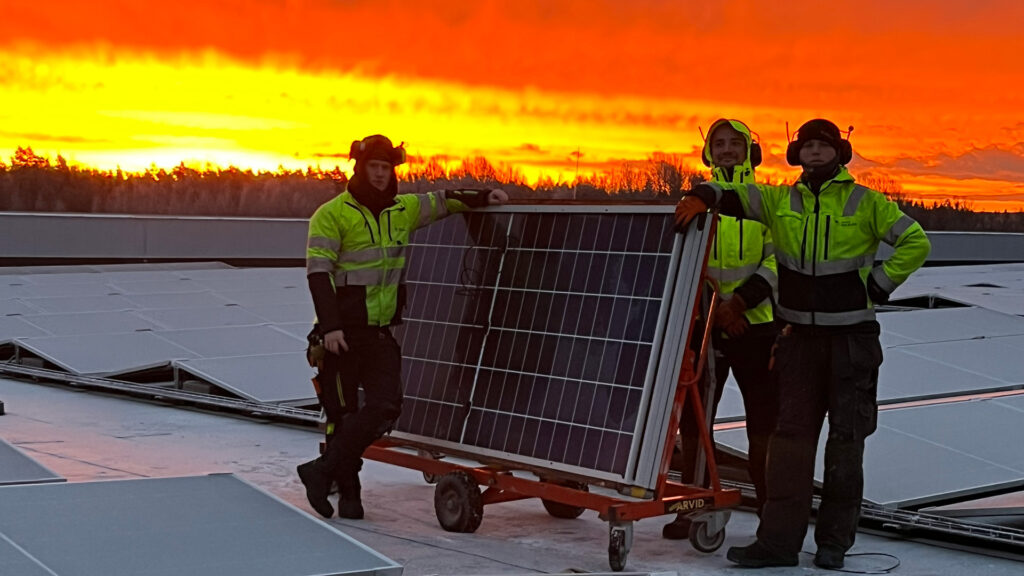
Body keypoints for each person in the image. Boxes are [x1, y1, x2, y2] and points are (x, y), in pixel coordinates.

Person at [674, 119, 930, 569]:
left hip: (850, 342)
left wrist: (876, 287)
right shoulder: (780, 200)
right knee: (788, 446)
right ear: (797, 153)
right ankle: (778, 544)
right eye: (807, 146)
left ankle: (833, 543)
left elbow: (915, 241)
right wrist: (702, 195)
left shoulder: (865, 201)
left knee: (845, 446)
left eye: (823, 146)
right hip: (798, 341)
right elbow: (732, 196)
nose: (814, 152)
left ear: (840, 153)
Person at [298, 134, 508, 519]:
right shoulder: (331, 214)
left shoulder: (403, 209)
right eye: (373, 168)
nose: (380, 175)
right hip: (340, 335)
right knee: (342, 416)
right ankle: (349, 493)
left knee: (385, 406)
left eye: (385, 168)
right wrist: (330, 328)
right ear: (360, 169)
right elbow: (318, 275)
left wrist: (485, 194)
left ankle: (321, 471)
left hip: (379, 331)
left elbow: (444, 200)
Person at [663, 119, 779, 540]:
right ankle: (691, 507)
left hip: (756, 326)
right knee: (695, 423)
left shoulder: (770, 201)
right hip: (705, 326)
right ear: (708, 152)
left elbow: (778, 262)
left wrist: (741, 304)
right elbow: (681, 261)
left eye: (736, 143)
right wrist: (713, 309)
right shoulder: (694, 201)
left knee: (764, 424)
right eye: (720, 143)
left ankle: (772, 514)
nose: (727, 149)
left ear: (751, 150)